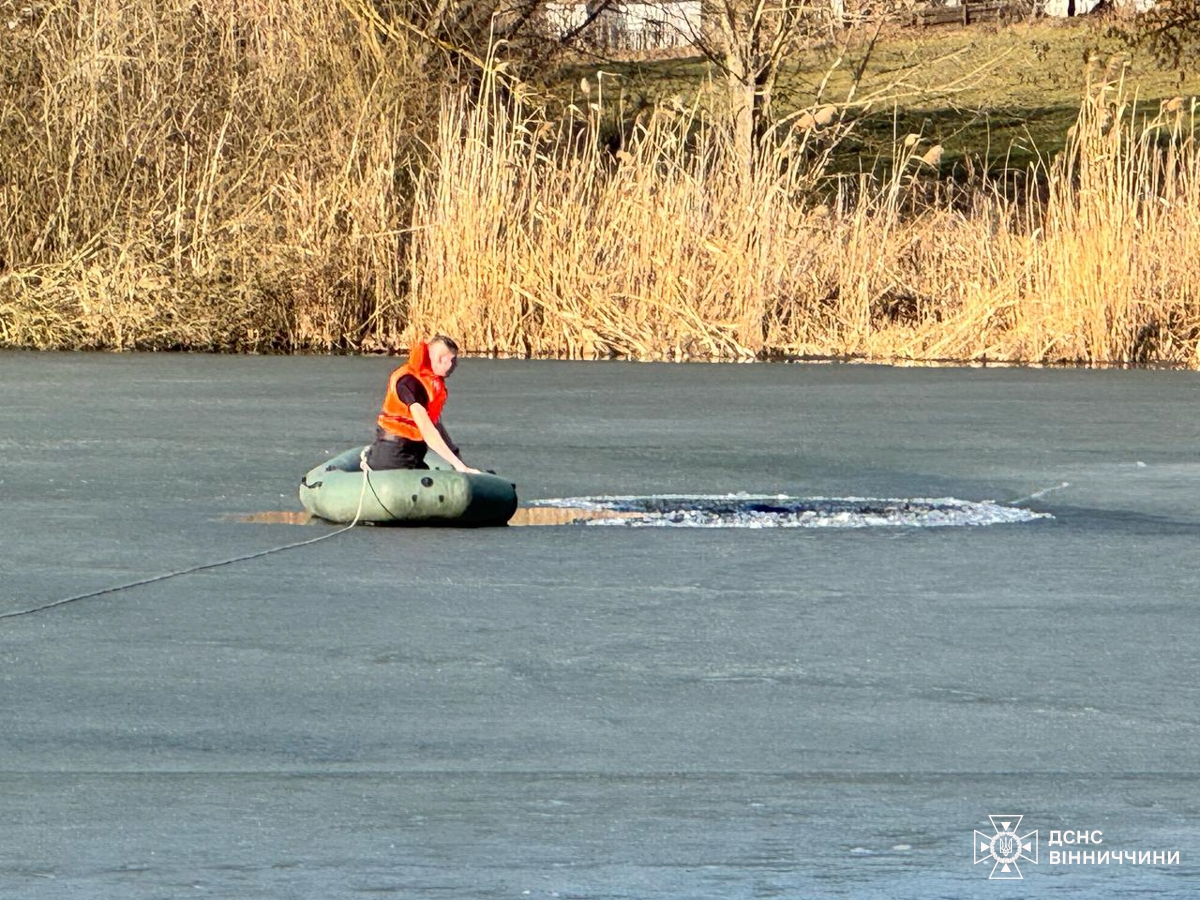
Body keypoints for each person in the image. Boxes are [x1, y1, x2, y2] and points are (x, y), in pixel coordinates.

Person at [366, 335, 481, 473]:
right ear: (440, 359)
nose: (455, 366)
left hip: (415, 453)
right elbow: (427, 429)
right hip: (394, 453)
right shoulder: (409, 381)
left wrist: (457, 458)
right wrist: (459, 466)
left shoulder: (431, 382)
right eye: (452, 360)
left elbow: (435, 424)